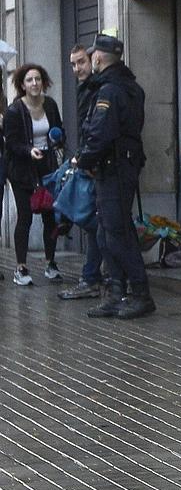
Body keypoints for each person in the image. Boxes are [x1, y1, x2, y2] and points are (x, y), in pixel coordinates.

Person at [77, 34, 155, 320]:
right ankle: (117, 291)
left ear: (97, 58)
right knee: (107, 232)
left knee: (117, 233)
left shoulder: (109, 91)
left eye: (92, 56)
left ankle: (140, 293)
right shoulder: (130, 87)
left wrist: (84, 160)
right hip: (120, 166)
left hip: (113, 168)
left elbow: (100, 131)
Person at [4, 63, 64, 286]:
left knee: (50, 216)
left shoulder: (50, 105)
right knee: (25, 217)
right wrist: (29, 150)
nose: (34, 83)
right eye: (29, 80)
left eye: (38, 79)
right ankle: (21, 267)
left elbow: (59, 131)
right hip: (22, 169)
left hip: (47, 167)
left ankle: (51, 263)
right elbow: (11, 143)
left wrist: (58, 138)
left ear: (43, 81)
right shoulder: (14, 110)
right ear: (22, 85)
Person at [59, 43, 104, 300]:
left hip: (96, 166)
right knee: (92, 223)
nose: (77, 68)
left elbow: (96, 130)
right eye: (74, 64)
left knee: (94, 223)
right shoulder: (84, 89)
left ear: (92, 60)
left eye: (81, 62)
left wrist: (85, 159)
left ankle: (93, 278)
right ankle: (94, 276)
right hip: (88, 163)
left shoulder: (98, 88)